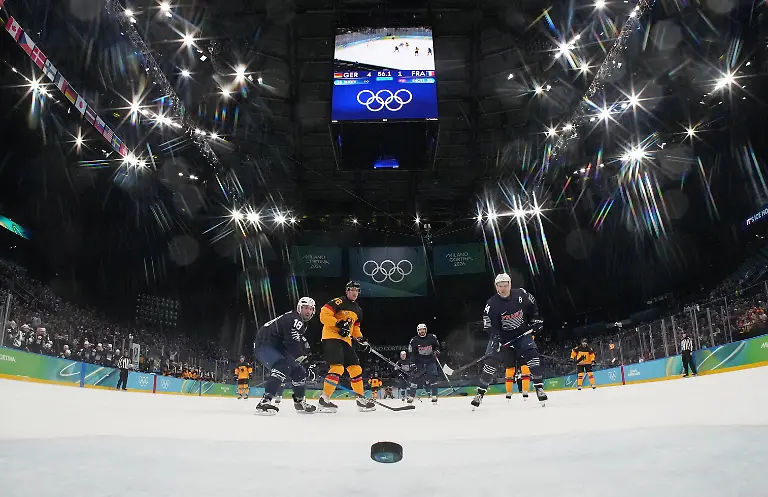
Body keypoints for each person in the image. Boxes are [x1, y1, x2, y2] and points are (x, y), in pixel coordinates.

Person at [472, 273, 547, 408]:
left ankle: (539, 388)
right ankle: (480, 394)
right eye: (500, 286)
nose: (503, 289)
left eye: (505, 285)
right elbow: (488, 325)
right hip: (501, 337)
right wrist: (496, 339)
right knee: (490, 363)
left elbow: (532, 304)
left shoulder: (521, 294)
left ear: (510, 284)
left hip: (521, 333)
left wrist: (536, 319)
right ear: (496, 287)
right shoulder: (491, 304)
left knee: (532, 355)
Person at [317, 281, 376, 413]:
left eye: (357, 290)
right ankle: (324, 400)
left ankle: (360, 400)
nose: (355, 293)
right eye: (352, 290)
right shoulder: (339, 302)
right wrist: (338, 323)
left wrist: (361, 340)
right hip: (331, 337)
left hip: (346, 341)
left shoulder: (358, 310)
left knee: (356, 369)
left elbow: (355, 328)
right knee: (337, 368)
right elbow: (324, 314)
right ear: (347, 291)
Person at [253, 297, 317, 415]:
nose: (308, 311)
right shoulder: (295, 319)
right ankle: (264, 402)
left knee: (299, 371)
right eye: (305, 308)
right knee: (282, 366)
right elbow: (292, 343)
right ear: (299, 308)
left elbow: (292, 343)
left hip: (277, 346)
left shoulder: (297, 321)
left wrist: (304, 364)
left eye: (310, 309)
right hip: (265, 344)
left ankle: (299, 402)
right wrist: (306, 362)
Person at [407, 323, 441, 404]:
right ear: (418, 331)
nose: (422, 331)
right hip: (419, 361)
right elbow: (412, 353)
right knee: (415, 378)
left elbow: (437, 346)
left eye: (423, 329)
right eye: (420, 330)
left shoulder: (432, 337)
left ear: (426, 330)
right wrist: (412, 363)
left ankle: (434, 395)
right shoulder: (414, 340)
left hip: (430, 360)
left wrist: (436, 351)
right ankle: (411, 396)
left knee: (433, 377)